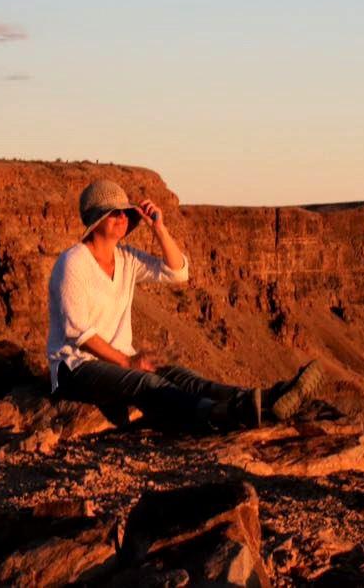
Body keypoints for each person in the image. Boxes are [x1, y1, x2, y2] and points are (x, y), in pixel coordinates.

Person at [46, 178, 323, 432]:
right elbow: (78, 334)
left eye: (126, 213)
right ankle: (220, 416)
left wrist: (159, 228)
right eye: (115, 212)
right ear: (97, 219)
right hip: (76, 370)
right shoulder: (73, 263)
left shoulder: (126, 259)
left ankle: (268, 398)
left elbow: (177, 272)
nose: (123, 218)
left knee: (182, 376)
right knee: (149, 383)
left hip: (118, 361)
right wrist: (128, 361)